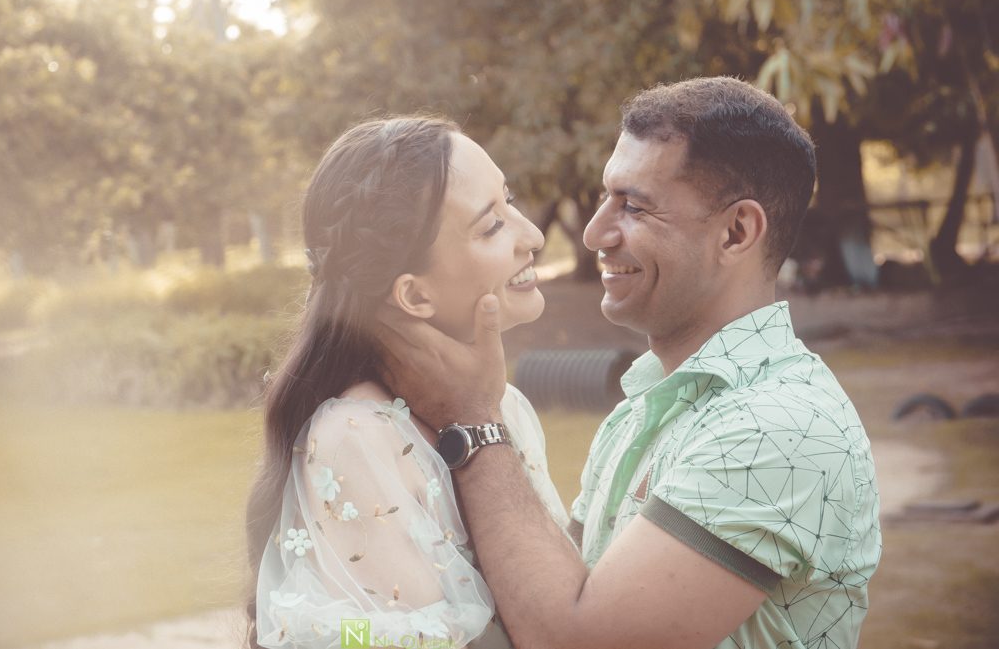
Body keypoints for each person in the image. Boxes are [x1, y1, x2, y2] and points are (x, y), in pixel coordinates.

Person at [378, 77, 882, 649]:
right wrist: (344, 633)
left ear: (737, 231)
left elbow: (576, 639)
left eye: (634, 207)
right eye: (605, 197)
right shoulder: (645, 407)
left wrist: (472, 419)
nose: (594, 233)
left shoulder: (781, 428)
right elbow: (529, 605)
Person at [244, 116, 569, 649]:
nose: (532, 236)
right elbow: (389, 640)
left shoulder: (503, 405)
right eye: (492, 226)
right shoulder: (358, 437)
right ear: (414, 296)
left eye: (510, 202)